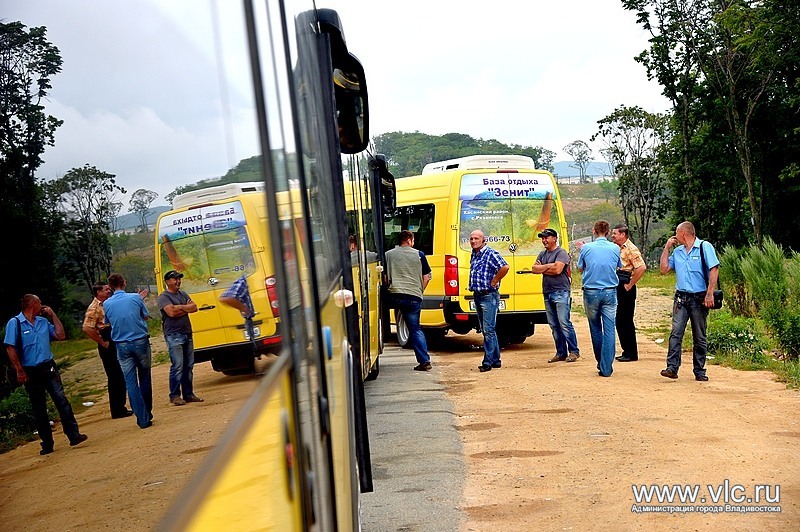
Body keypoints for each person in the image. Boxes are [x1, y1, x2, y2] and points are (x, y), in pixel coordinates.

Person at [4, 295, 88, 454]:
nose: (42, 306)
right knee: (39, 407)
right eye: (39, 303)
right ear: (32, 305)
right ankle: (47, 442)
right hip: (30, 370)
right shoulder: (15, 323)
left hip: (47, 367)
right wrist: (19, 370)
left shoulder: (43, 322)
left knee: (61, 400)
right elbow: (10, 348)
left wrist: (53, 315)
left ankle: (73, 434)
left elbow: (60, 335)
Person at [659, 221, 719, 381]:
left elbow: (714, 269)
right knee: (676, 332)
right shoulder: (677, 252)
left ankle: (699, 370)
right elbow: (664, 269)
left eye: (677, 233)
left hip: (699, 296)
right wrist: (666, 248)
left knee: (699, 335)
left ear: (683, 233)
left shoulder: (704, 247)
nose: (675, 236)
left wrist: (710, 293)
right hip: (681, 297)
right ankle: (672, 367)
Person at [103, 273, 153, 428]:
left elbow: (108, 322)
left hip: (121, 345)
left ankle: (141, 417)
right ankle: (147, 412)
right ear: (124, 283)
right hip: (139, 340)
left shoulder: (107, 304)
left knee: (130, 382)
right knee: (144, 377)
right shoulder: (135, 298)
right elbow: (145, 316)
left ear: (110, 287)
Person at [577, 220, 622, 377]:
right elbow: (618, 266)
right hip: (610, 291)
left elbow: (580, 267)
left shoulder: (586, 248)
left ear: (593, 231)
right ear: (608, 232)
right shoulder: (615, 248)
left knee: (595, 327)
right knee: (610, 329)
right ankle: (606, 366)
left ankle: (600, 361)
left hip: (591, 291)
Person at [385, 230, 433, 371]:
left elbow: (385, 278)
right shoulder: (419, 255)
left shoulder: (388, 255)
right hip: (413, 297)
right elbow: (426, 277)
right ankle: (424, 361)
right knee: (415, 329)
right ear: (410, 240)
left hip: (394, 295)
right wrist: (419, 291)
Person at [82, 282, 132, 418]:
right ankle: (117, 409)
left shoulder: (108, 303)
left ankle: (120, 407)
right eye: (105, 290)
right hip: (106, 339)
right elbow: (87, 328)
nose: (109, 291)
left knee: (120, 375)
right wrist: (102, 342)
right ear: (98, 292)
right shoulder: (94, 307)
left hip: (113, 338)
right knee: (115, 376)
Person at [531, 228, 580, 364]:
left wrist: (544, 268)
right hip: (547, 292)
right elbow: (534, 269)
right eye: (542, 238)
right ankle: (561, 352)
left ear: (554, 238)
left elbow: (558, 269)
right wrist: (549, 267)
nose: (544, 240)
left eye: (547, 237)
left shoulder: (561, 253)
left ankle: (574, 351)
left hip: (561, 292)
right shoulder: (542, 254)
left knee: (564, 322)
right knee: (554, 325)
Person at [158, 270, 202, 406]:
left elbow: (194, 308)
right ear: (167, 282)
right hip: (173, 334)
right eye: (174, 279)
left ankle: (188, 394)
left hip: (187, 332)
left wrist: (180, 307)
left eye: (178, 279)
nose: (178, 281)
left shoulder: (183, 294)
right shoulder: (163, 297)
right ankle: (175, 395)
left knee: (188, 365)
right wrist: (185, 308)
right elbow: (170, 312)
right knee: (178, 365)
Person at [468, 229, 510, 373]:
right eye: (471, 239)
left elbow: (505, 266)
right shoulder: (474, 254)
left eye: (476, 239)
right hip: (478, 295)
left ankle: (487, 361)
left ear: (483, 240)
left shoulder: (490, 253)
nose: (473, 241)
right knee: (487, 330)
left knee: (488, 330)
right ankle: (496, 360)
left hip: (489, 296)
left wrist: (495, 280)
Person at [610, 224, 647, 362]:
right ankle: (627, 351)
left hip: (626, 286)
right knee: (620, 320)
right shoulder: (616, 248)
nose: (613, 236)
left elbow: (641, 267)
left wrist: (630, 284)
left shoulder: (631, 249)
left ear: (623, 235)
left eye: (615, 233)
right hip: (619, 284)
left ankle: (631, 353)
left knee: (624, 320)